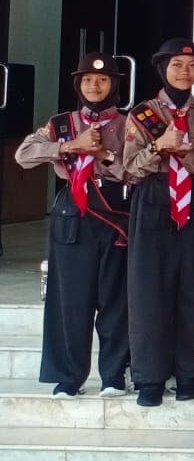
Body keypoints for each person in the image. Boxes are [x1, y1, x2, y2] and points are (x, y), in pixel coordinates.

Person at [16, 53, 130, 398]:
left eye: (103, 80)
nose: (95, 86)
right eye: (87, 80)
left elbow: (139, 168)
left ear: (114, 85)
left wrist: (102, 157)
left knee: (117, 301)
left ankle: (113, 375)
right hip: (73, 216)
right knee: (70, 300)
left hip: (116, 213)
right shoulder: (61, 123)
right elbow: (23, 155)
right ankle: (69, 376)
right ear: (78, 85)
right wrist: (69, 146)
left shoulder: (129, 124)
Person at [122, 39, 194, 407]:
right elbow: (129, 167)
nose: (185, 72)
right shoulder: (142, 114)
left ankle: (189, 371)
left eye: (192, 66)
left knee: (193, 284)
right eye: (177, 65)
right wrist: (159, 146)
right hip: (153, 200)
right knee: (150, 290)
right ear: (164, 69)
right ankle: (149, 377)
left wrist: (187, 150)